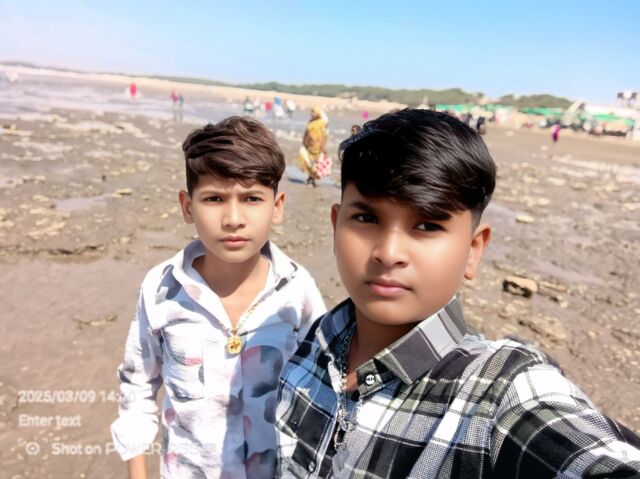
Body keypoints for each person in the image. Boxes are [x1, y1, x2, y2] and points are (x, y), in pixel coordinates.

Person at [276, 109, 640, 478]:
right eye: (367, 219)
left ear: (473, 250)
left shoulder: (497, 393)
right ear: (336, 226)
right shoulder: (315, 339)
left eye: (427, 225)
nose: (389, 252)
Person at [111, 116, 326, 478]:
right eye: (214, 199)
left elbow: (321, 391)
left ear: (277, 206)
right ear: (187, 206)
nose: (233, 219)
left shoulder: (297, 292)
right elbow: (137, 387)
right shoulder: (161, 290)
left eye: (252, 198)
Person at [298, 106, 329, 187]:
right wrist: (304, 141)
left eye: (314, 112)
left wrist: (323, 147)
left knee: (315, 163)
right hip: (308, 145)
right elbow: (306, 132)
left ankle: (312, 179)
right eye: (312, 112)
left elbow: (324, 135)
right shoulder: (310, 121)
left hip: (317, 146)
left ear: (318, 113)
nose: (312, 114)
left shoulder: (322, 122)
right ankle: (310, 177)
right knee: (307, 160)